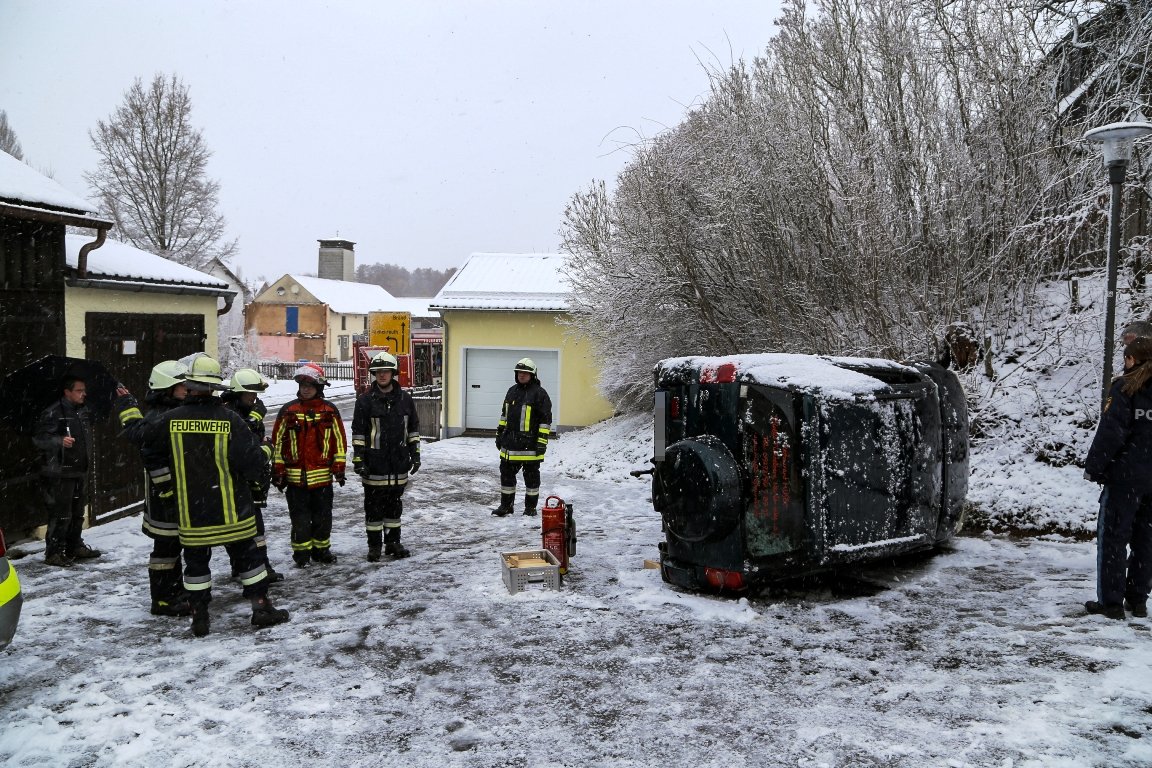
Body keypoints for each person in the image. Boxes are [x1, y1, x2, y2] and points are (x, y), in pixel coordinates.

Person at [143, 354, 289, 637]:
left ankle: (200, 616)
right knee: (249, 561)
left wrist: (168, 489)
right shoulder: (230, 420)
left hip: (192, 513)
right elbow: (251, 462)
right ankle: (261, 608)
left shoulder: (170, 420)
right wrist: (268, 450)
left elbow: (150, 453)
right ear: (214, 388)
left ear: (190, 386)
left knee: (196, 565)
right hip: (232, 509)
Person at [115, 360, 194, 616]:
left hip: (172, 496)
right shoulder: (160, 418)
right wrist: (168, 491)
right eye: (181, 385)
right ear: (167, 388)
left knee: (174, 547)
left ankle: (174, 592)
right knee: (165, 550)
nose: (186, 388)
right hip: (165, 499)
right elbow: (153, 458)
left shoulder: (170, 413)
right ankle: (162, 600)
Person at [1084, 337, 1152, 620]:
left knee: (1113, 537)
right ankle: (1137, 600)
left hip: (1125, 477)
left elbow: (1112, 432)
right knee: (1146, 540)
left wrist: (1094, 467)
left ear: (1132, 360)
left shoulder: (1125, 387)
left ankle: (1111, 603)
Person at [270, 363, 347, 567]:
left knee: (323, 519)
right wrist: (278, 470)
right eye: (303, 384)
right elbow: (277, 443)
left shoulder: (329, 411)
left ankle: (322, 551)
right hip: (296, 481)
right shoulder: (288, 411)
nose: (305, 388)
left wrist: (339, 468)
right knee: (300, 520)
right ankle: (301, 554)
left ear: (319, 387)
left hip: (322, 480)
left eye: (310, 385)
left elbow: (339, 442)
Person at [351, 351, 420, 561]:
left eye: (386, 372)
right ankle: (374, 547)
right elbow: (359, 433)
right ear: (374, 374)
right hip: (374, 465)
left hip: (398, 464)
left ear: (393, 373)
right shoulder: (364, 402)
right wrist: (359, 460)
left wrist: (415, 455)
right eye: (378, 372)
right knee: (373, 509)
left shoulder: (405, 400)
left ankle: (393, 543)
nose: (382, 375)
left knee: (394, 507)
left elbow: (413, 430)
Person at [33, 375, 103, 567]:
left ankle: (75, 546)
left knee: (78, 513)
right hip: (60, 473)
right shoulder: (53, 412)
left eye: (84, 390)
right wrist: (58, 441)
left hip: (80, 470)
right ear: (67, 392)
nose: (84, 394)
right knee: (61, 514)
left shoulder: (83, 411)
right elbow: (39, 439)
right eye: (79, 390)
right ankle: (54, 552)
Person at [222, 368, 282, 582]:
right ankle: (248, 569)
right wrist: (266, 448)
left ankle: (259, 567)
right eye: (250, 395)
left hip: (250, 484)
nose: (254, 399)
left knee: (256, 531)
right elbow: (245, 449)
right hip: (238, 484)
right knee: (245, 531)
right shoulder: (231, 416)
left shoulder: (244, 411)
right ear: (238, 394)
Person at [492, 358, 552, 517]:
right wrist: (499, 434)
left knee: (532, 481)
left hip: (530, 446)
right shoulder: (511, 391)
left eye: (526, 373)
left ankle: (530, 509)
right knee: (506, 478)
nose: (522, 375)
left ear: (533, 375)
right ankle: (506, 506)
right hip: (509, 446)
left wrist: (541, 442)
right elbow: (504, 415)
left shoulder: (540, 394)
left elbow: (545, 421)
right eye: (519, 372)